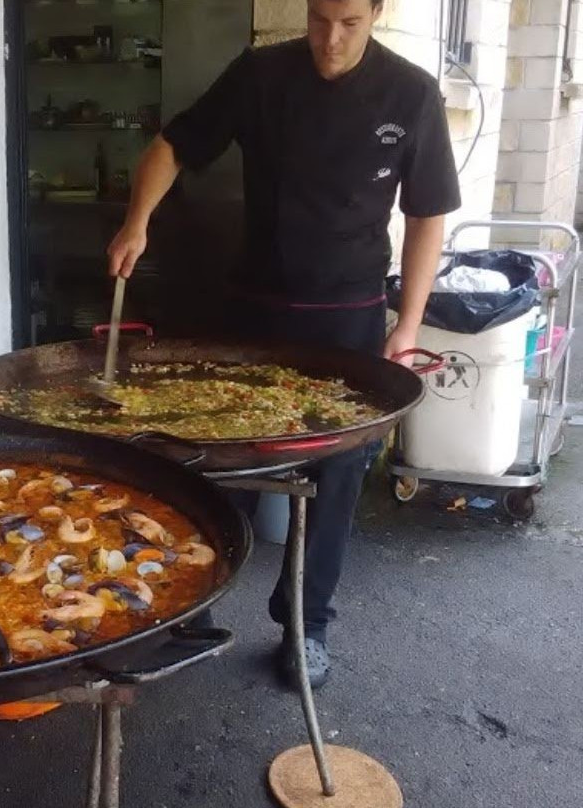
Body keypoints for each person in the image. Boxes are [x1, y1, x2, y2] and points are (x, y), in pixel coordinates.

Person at [107, 0, 460, 689]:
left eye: (349, 23)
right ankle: (191, 604)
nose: (331, 39)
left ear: (377, 12)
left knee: (337, 475)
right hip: (254, 312)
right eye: (320, 19)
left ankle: (306, 626)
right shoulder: (260, 74)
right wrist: (136, 221)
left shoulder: (411, 93)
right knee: (219, 461)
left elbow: (427, 216)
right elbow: (174, 145)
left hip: (349, 316)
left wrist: (408, 325)